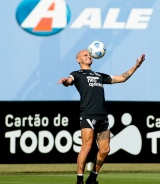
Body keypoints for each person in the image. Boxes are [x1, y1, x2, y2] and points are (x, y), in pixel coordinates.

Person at [57, 50, 145, 184]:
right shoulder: (77, 74)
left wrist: (136, 66)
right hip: (88, 115)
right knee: (86, 146)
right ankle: (79, 180)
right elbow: (69, 81)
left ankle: (92, 177)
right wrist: (65, 81)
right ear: (78, 60)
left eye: (89, 55)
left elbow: (122, 78)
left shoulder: (99, 75)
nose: (88, 56)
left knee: (105, 150)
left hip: (103, 117)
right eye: (85, 55)